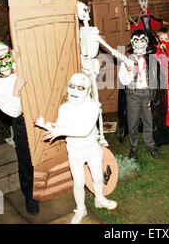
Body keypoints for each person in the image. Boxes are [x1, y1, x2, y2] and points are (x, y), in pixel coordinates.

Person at [34, 73, 117, 224]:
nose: (75, 91)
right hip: (74, 151)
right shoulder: (64, 108)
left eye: (80, 88)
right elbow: (59, 127)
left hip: (92, 149)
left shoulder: (93, 107)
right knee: (78, 182)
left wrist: (59, 131)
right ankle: (81, 209)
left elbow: (84, 130)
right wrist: (45, 124)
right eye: (72, 86)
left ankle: (100, 199)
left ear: (88, 91)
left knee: (98, 178)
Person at [0, 40, 39, 215]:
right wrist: (15, 91)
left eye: (5, 56)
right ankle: (30, 196)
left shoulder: (14, 62)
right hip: (21, 119)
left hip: (38, 108)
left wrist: (21, 58)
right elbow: (13, 111)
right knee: (26, 158)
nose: (4, 61)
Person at [118, 30, 161, 160]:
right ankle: (134, 146)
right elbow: (124, 80)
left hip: (147, 94)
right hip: (133, 95)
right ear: (132, 43)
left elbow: (155, 80)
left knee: (149, 120)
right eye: (136, 41)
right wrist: (129, 70)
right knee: (133, 121)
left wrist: (153, 98)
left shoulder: (151, 58)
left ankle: (150, 144)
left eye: (142, 40)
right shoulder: (127, 60)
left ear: (146, 42)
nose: (139, 44)